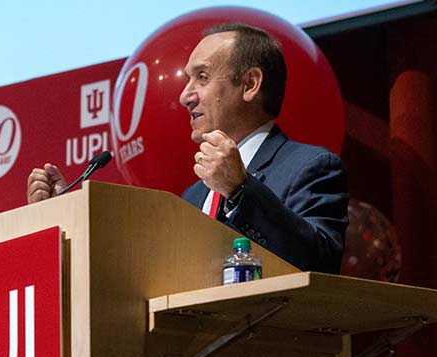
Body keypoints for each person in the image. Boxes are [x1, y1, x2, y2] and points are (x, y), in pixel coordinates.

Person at [26, 22, 348, 273]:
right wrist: (59, 215)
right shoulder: (194, 196)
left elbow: (320, 263)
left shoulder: (311, 166)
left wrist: (240, 190)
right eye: (187, 80)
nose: (185, 96)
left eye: (202, 78)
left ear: (250, 84)